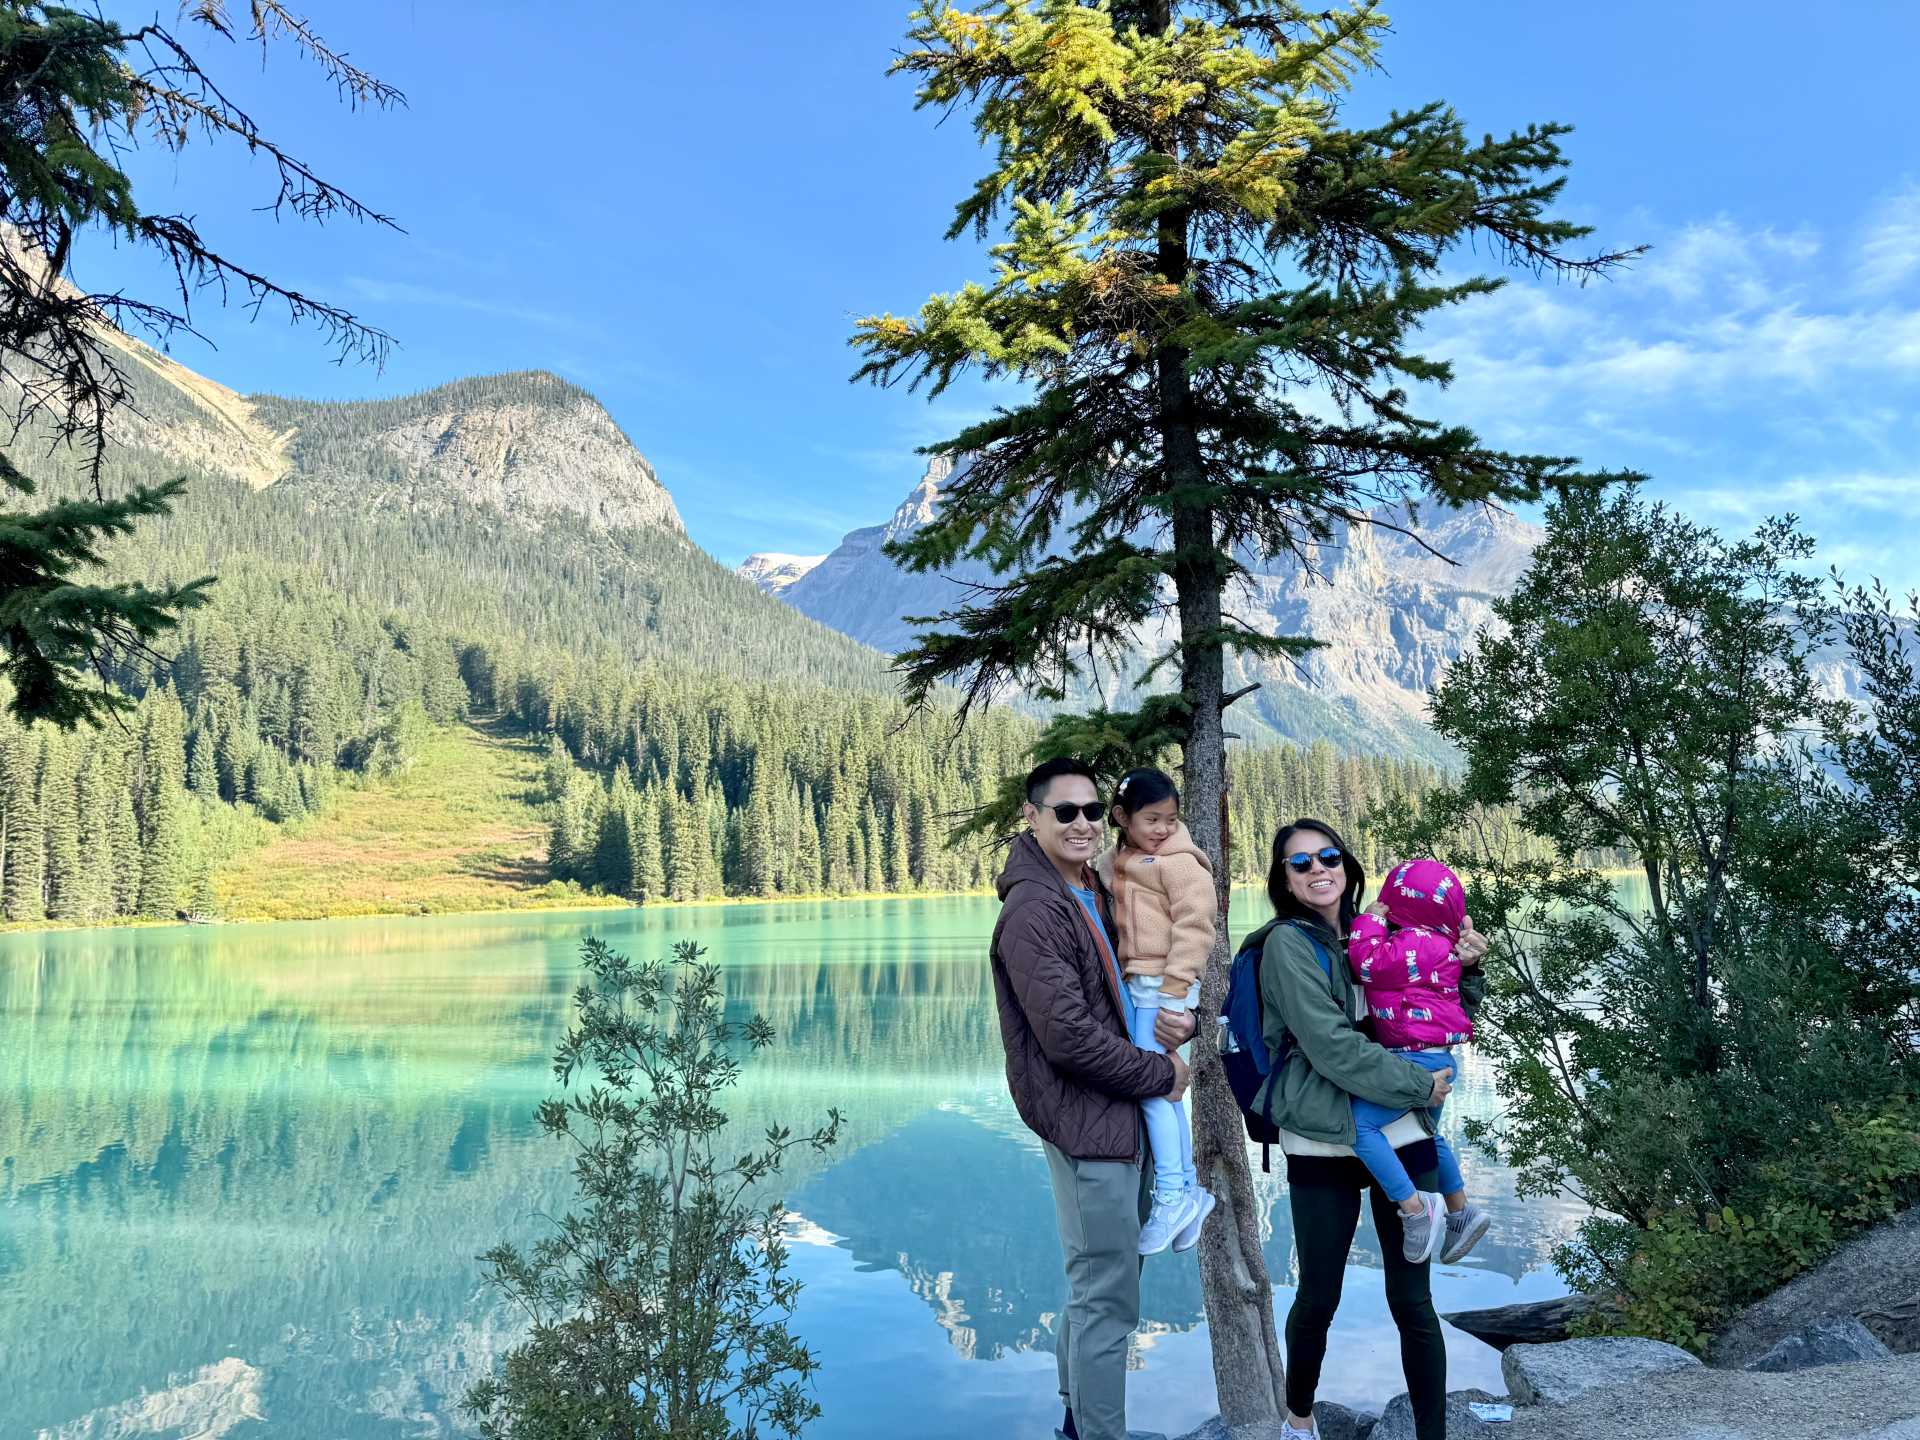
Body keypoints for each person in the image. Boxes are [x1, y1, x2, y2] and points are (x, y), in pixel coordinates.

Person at [1242, 819, 1489, 1440]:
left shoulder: (1384, 933)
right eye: (1300, 864)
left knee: (1413, 1301)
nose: (1317, 869)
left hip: (1399, 1130)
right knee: (1319, 1294)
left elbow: (1435, 1015)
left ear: (1348, 866)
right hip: (1323, 1133)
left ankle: (1431, 1433)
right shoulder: (1286, 947)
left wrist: (1470, 970)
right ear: (1284, 880)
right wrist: (1416, 1086)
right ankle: (1299, 1420)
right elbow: (1327, 1047)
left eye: (1328, 856)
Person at [991, 757, 1198, 1440]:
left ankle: (1076, 1424)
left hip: (1114, 1116)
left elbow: (1139, 973)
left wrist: (1180, 1017)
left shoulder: (1090, 884)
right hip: (1088, 1125)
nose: (1080, 823)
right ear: (1032, 816)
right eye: (1064, 812)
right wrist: (1158, 1075)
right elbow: (1068, 1039)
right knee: (1108, 1302)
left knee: (1094, 1292)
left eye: (1089, 811)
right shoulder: (1032, 910)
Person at [1092, 765, 1216, 1254]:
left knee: (1152, 1085)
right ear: (1122, 817)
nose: (1163, 828)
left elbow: (1197, 925)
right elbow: (1100, 874)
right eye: (1151, 819)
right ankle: (1186, 1190)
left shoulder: (1179, 861)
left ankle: (1170, 1194)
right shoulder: (1120, 858)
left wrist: (1175, 991)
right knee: (1164, 1090)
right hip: (1142, 983)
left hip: (1165, 986)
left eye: (1170, 818)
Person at [1346, 858, 1491, 1265]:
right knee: (1425, 1134)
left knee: (1361, 1126)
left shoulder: (1407, 944)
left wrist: (1369, 923)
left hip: (1413, 1062)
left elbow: (1366, 964)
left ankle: (1414, 1208)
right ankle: (1461, 1212)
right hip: (1436, 1057)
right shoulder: (1444, 947)